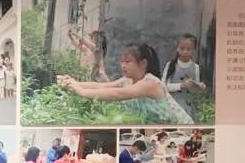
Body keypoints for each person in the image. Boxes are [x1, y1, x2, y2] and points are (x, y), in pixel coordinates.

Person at [57, 42, 194, 124]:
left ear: (143, 63)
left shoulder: (150, 83)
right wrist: (73, 82)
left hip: (180, 126)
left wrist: (81, 91)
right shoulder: (127, 80)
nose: (123, 65)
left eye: (128, 61)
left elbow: (119, 94)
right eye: (122, 61)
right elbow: (101, 86)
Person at [163, 34, 207, 109]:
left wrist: (199, 86)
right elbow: (163, 86)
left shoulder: (196, 67)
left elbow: (196, 91)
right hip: (172, 106)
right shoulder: (170, 65)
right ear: (177, 48)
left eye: (189, 49)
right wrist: (181, 85)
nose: (185, 51)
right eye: (182, 48)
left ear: (194, 50)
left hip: (189, 107)